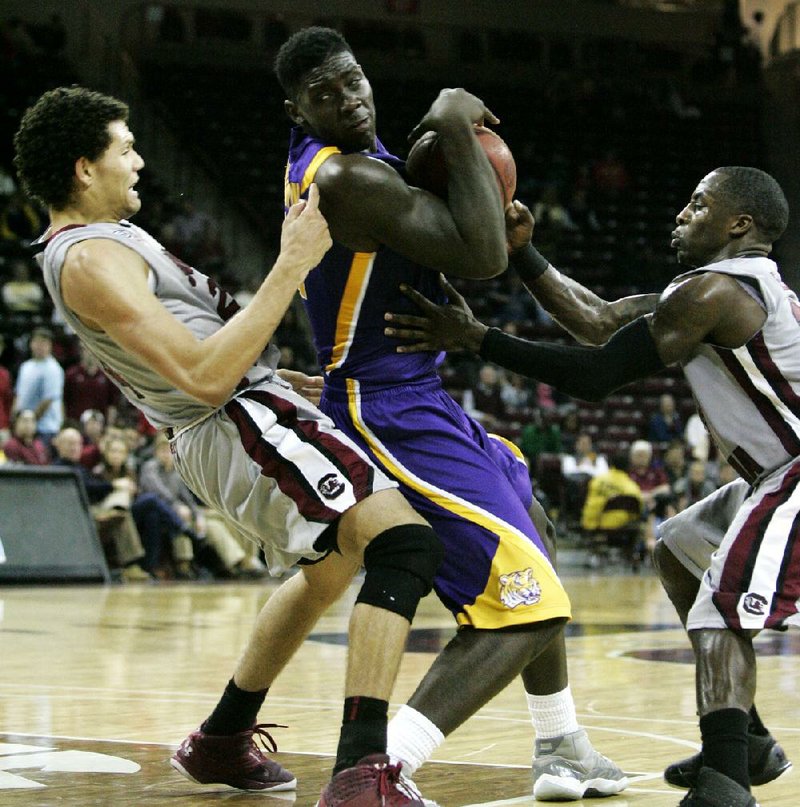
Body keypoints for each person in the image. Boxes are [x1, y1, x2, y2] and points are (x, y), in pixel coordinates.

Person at [14, 85, 444, 805]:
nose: (141, 161)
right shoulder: (87, 257)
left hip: (244, 412)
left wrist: (278, 375)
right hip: (234, 420)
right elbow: (203, 376)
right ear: (85, 168)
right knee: (406, 546)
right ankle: (362, 772)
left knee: (331, 568)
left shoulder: (101, 244)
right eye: (127, 148)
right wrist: (293, 262)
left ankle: (222, 736)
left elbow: (204, 353)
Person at [275, 26, 626, 802]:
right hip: (384, 406)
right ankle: (376, 769)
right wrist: (458, 118)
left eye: (353, 80)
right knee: (528, 607)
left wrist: (478, 198)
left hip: (418, 389)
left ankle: (562, 744)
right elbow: (482, 256)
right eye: (324, 94)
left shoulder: (364, 167)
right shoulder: (344, 180)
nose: (348, 99)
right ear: (296, 109)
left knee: (532, 520)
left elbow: (476, 242)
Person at [384, 165, 795, 806]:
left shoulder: (714, 293)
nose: (681, 215)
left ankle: (727, 781)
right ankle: (746, 740)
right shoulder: (715, 291)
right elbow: (600, 322)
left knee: (719, 609)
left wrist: (477, 339)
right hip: (771, 474)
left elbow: (596, 374)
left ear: (739, 224)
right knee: (680, 546)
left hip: (795, 473)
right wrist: (525, 254)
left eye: (697, 203)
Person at [12, 326, 64, 448]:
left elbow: (48, 400)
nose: (39, 346)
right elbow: (18, 394)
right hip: (24, 426)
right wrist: (15, 419)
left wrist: (31, 423)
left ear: (50, 346)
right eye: (37, 342)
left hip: (45, 428)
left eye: (44, 342)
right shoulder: (25, 366)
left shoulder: (53, 369)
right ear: (31, 344)